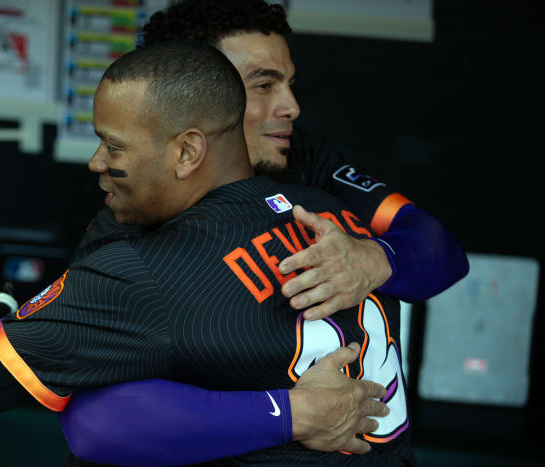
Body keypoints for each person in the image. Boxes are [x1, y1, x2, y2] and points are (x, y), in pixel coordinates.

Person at [0, 41, 415, 465]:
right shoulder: (337, 222)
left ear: (188, 152)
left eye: (113, 146)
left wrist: (0, 304)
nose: (95, 162)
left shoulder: (146, 271)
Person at [56, 1, 468, 464]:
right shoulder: (129, 221)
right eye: (263, 84)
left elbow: (441, 248)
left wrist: (375, 259)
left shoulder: (303, 160)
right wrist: (293, 413)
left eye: (289, 84)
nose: (290, 106)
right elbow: (96, 418)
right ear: (199, 94)